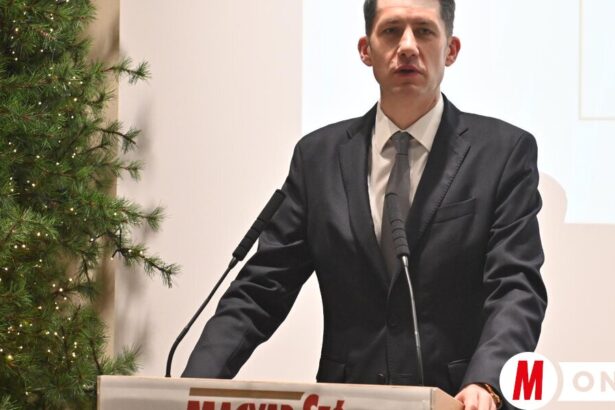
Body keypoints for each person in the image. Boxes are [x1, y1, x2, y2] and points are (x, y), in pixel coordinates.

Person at [183, 1, 548, 409]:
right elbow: (261, 291)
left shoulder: (502, 153)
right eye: (391, 31)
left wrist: (487, 381)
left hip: (460, 400)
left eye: (424, 31)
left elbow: (516, 287)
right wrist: (191, 389)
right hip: (347, 399)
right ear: (365, 50)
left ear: (451, 50)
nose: (407, 46)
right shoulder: (318, 158)